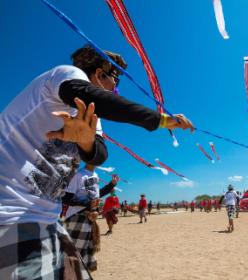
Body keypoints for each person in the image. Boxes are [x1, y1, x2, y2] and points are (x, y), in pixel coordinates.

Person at [0, 45, 194, 279]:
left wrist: (85, 141)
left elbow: (100, 154)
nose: (115, 88)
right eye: (115, 80)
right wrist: (161, 120)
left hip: (48, 219)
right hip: (10, 213)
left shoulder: (93, 117)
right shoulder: (64, 74)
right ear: (100, 73)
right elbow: (88, 94)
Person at [63, 167, 118, 272]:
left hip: (90, 219)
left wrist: (111, 185)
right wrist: (87, 204)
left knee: (86, 252)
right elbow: (66, 197)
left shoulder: (95, 175)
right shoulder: (78, 175)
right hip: (77, 218)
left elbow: (96, 195)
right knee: (74, 254)